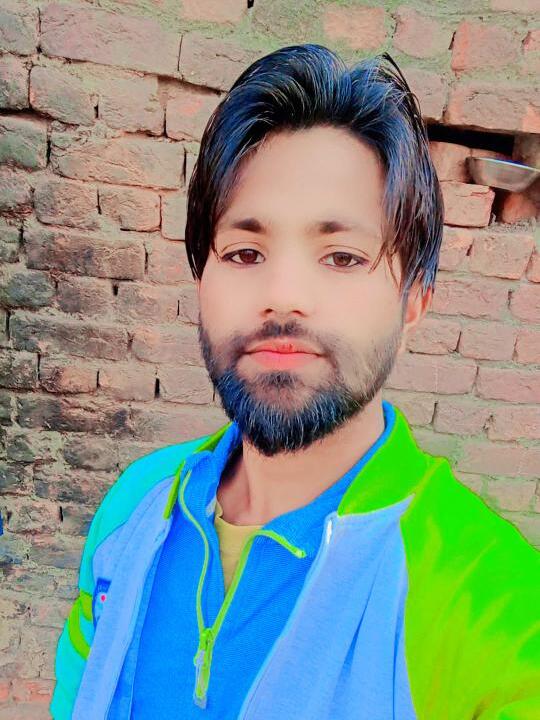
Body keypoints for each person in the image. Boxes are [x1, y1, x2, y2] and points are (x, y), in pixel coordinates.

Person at [50, 44, 540, 720]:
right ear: (201, 281)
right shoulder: (137, 507)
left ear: (414, 303)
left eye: (342, 257)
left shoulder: (491, 602)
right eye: (244, 252)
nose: (283, 296)